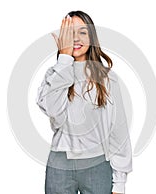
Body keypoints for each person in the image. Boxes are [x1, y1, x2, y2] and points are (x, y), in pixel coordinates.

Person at [36, 10, 133, 194]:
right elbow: (52, 110)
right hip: (60, 165)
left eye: (82, 32)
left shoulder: (107, 78)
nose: (76, 38)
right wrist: (64, 60)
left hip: (97, 164)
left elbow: (118, 130)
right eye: (70, 32)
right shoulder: (54, 74)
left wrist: (119, 182)